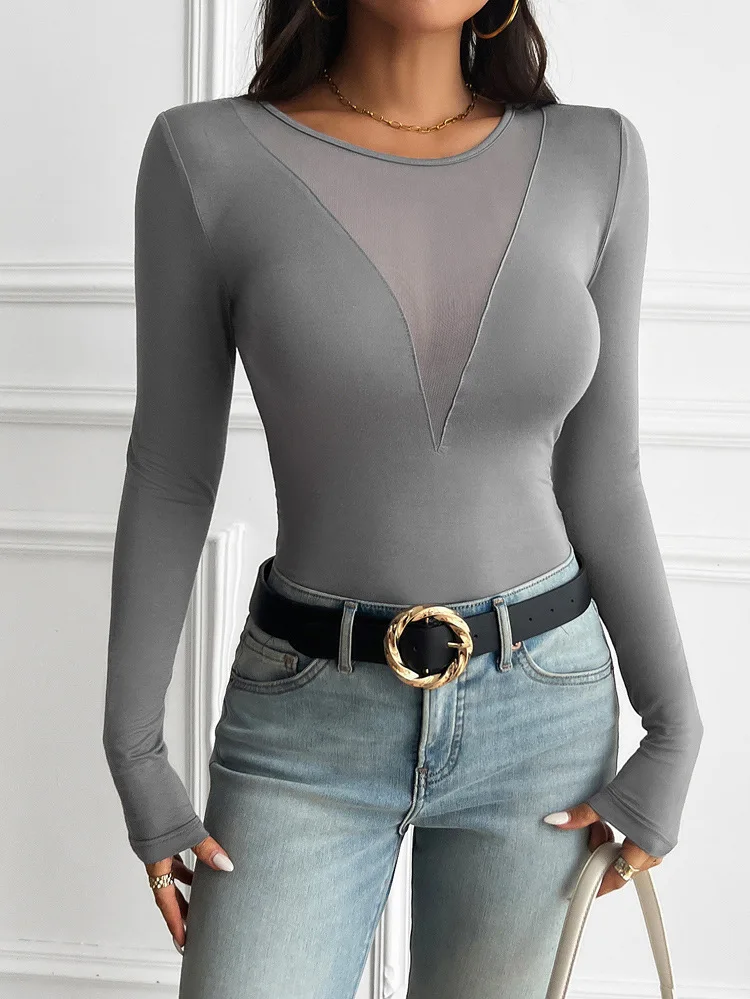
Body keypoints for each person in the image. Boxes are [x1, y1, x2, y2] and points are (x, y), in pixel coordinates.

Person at [101, 1, 704, 995]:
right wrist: (134, 751)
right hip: (305, 723)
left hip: (541, 716)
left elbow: (605, 475)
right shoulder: (204, 158)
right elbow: (172, 473)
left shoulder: (599, 157)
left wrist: (675, 729)